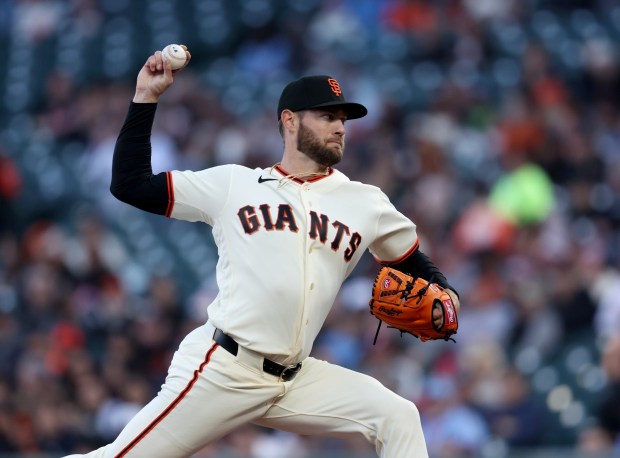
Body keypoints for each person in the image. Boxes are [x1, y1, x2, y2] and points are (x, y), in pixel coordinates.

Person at [66, 46, 460, 458]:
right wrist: (146, 97)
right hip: (225, 367)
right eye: (327, 116)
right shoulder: (234, 185)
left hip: (296, 379)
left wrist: (445, 293)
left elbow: (411, 261)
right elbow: (129, 184)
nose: (340, 127)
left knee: (397, 415)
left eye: (342, 119)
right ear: (289, 121)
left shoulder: (366, 202)